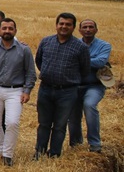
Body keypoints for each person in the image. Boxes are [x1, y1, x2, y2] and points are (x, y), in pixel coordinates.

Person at [34, 12, 90, 159]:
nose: (64, 27)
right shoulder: (46, 42)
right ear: (57, 25)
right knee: (43, 123)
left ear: (73, 27)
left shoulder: (80, 47)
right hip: (45, 88)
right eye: (61, 24)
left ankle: (54, 153)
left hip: (67, 92)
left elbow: (84, 69)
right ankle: (39, 152)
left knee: (60, 125)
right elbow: (39, 61)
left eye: (68, 24)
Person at [0, 18, 36, 166]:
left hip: (15, 90)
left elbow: (30, 72)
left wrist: (27, 91)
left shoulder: (24, 50)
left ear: (15, 31)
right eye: (4, 28)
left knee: (12, 122)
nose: (7, 31)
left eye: (10, 29)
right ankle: (0, 150)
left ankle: (8, 154)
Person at [69, 19, 111, 153]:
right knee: (73, 115)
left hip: (94, 86)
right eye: (85, 27)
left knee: (89, 105)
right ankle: (75, 145)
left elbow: (100, 62)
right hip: (74, 85)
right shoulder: (73, 44)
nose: (88, 29)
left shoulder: (104, 45)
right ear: (79, 30)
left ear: (96, 30)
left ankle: (95, 144)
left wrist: (78, 61)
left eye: (91, 27)